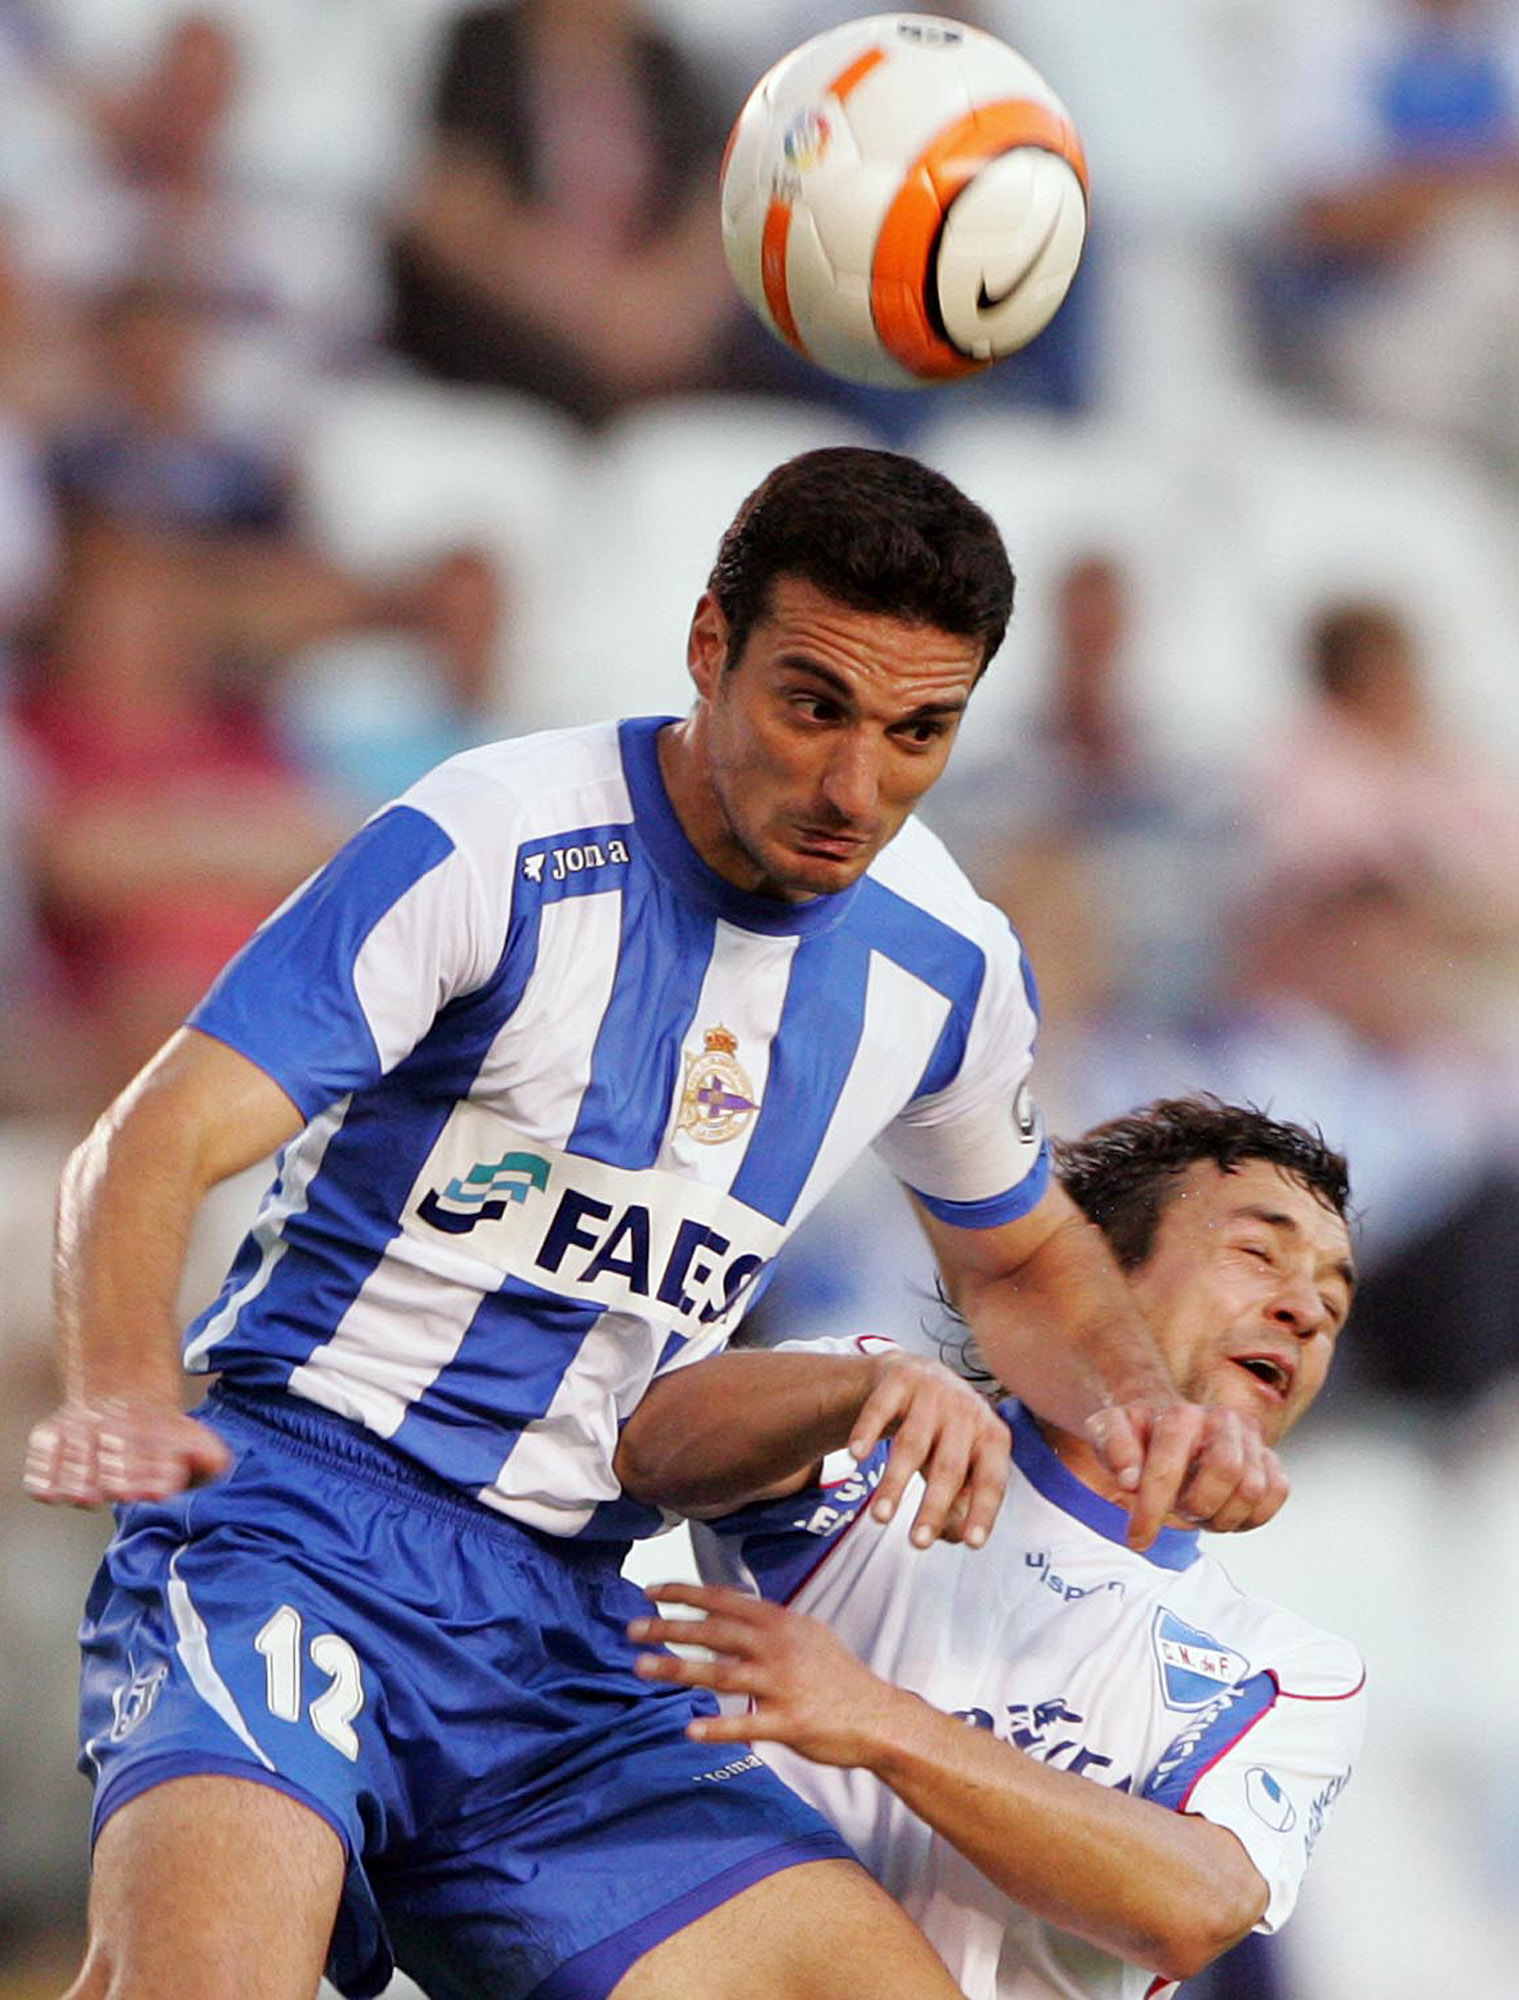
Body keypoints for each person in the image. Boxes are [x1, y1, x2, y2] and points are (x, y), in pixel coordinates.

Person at [24, 447, 1285, 2000]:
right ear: (708, 647)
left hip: (571, 1623)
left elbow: (1019, 1249)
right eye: (811, 706)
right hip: (301, 1529)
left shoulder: (941, 964)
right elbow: (150, 1141)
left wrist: (1148, 1416)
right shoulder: (494, 839)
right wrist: (127, 1397)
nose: (853, 789)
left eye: (917, 734)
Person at [623, 1096, 1366, 2000]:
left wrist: (882, 1722)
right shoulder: (887, 1421)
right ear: (1096, 1279)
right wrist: (862, 1384)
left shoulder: (1283, 1667)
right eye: (1258, 1255)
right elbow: (646, 1448)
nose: (1304, 1313)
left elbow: (1196, 1908)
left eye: (1330, 1303)